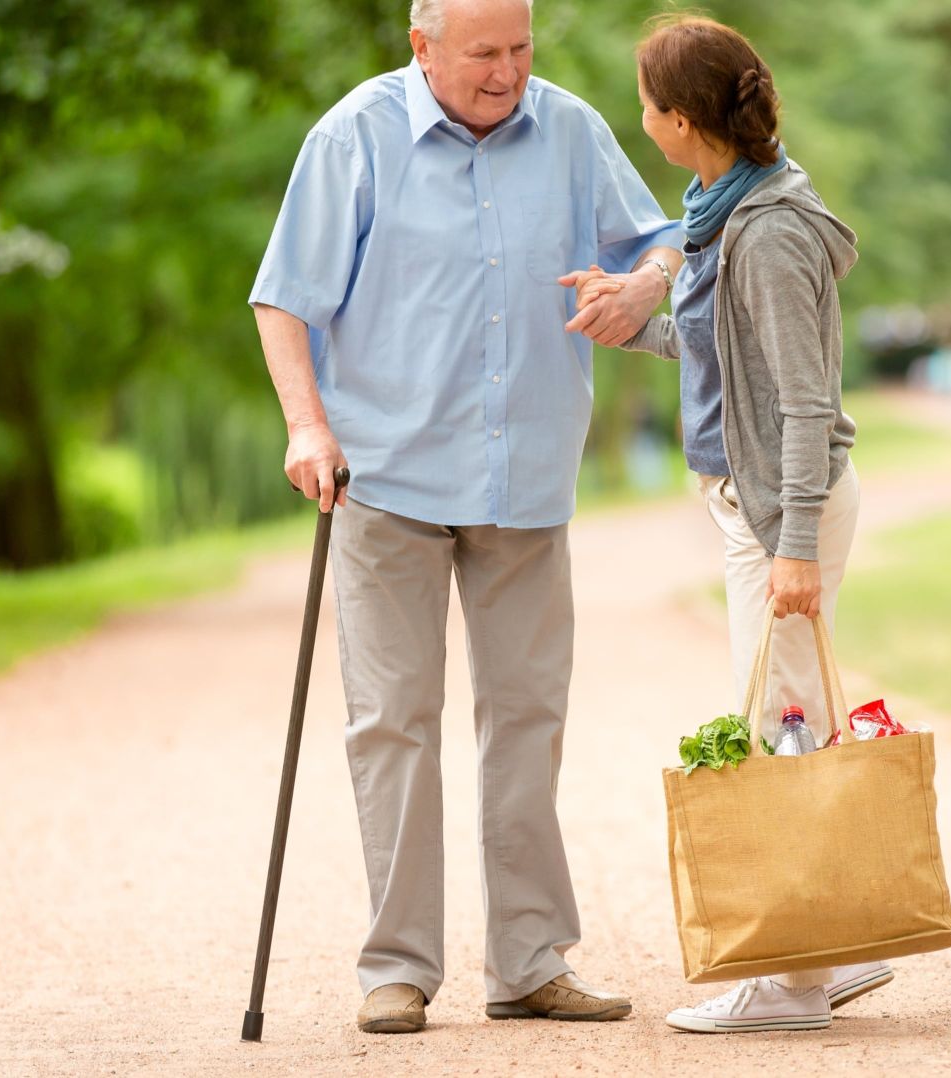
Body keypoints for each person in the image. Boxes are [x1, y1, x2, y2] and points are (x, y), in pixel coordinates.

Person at [247, 0, 682, 1034]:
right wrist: (307, 426)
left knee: (527, 720)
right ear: (421, 46)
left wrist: (642, 285)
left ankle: (531, 961)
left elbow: (668, 237)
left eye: (521, 48)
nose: (506, 73)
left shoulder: (570, 129)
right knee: (392, 723)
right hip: (384, 477)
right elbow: (283, 299)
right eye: (483, 53)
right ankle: (396, 967)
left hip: (525, 477)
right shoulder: (352, 135)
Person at [563, 14, 891, 1034]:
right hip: (757, 507)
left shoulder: (773, 230)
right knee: (792, 720)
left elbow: (802, 402)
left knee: (772, 728)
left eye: (647, 104)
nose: (642, 120)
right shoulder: (719, 205)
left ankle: (786, 981)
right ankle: (827, 956)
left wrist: (793, 541)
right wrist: (639, 322)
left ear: (680, 119)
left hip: (781, 513)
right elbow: (728, 360)